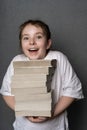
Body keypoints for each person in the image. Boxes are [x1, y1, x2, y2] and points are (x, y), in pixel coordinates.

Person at [0, 19, 84, 130]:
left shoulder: (59, 58)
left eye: (38, 37)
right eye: (26, 38)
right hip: (24, 127)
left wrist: (52, 113)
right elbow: (7, 92)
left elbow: (73, 90)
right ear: (21, 44)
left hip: (55, 127)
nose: (32, 42)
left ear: (48, 43)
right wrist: (24, 111)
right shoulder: (16, 61)